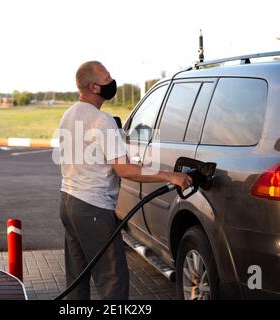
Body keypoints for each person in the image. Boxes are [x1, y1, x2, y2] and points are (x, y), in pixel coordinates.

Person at [58, 61, 193, 300]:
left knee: (77, 279)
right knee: (113, 280)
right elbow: (125, 170)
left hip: (68, 202)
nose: (112, 81)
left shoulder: (68, 115)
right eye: (107, 78)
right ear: (93, 87)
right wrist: (170, 175)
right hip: (93, 209)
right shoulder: (102, 120)